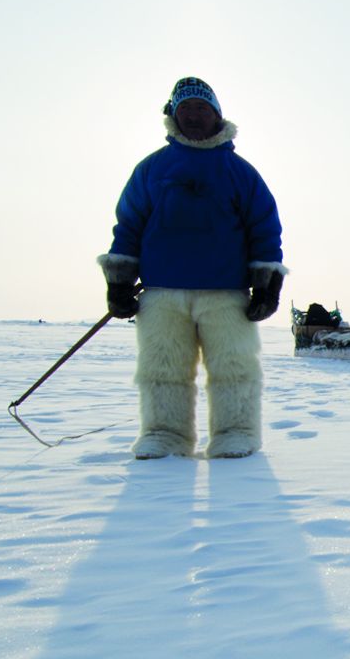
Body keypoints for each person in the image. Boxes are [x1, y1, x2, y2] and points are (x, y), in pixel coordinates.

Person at [98, 77, 286, 460]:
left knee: (233, 367)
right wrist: (119, 282)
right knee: (163, 367)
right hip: (162, 292)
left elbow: (264, 227)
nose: (194, 116)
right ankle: (165, 434)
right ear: (173, 116)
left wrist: (267, 285)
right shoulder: (152, 169)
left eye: (202, 108)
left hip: (226, 292)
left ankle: (237, 432)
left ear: (217, 115)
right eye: (186, 109)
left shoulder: (240, 172)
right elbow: (129, 224)